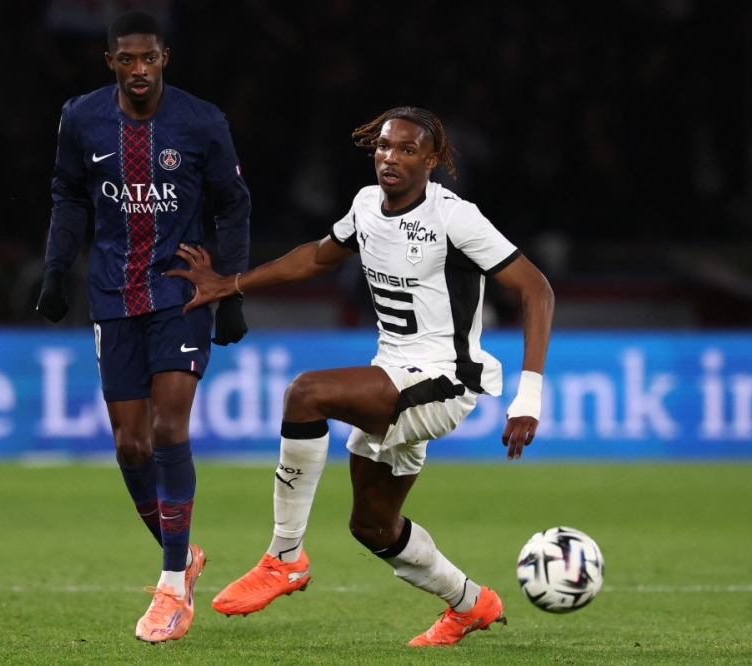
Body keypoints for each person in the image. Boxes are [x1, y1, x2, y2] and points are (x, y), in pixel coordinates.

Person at [167, 106, 554, 647]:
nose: (390, 158)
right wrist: (231, 284)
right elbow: (319, 258)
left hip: (444, 380)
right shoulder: (367, 205)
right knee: (373, 527)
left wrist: (527, 395)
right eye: (383, 147)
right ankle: (470, 604)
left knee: (306, 394)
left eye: (407, 150)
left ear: (433, 159)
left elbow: (536, 289)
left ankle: (284, 558)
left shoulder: (455, 217)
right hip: (391, 373)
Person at [34, 10, 251, 644]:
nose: (138, 69)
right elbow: (68, 194)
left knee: (167, 426)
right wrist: (55, 272)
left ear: (164, 59)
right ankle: (183, 552)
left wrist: (230, 289)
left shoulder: (200, 121)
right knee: (131, 446)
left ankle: (171, 585)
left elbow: (234, 204)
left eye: (148, 58)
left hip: (179, 291)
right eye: (126, 59)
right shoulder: (81, 117)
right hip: (111, 291)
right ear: (110, 62)